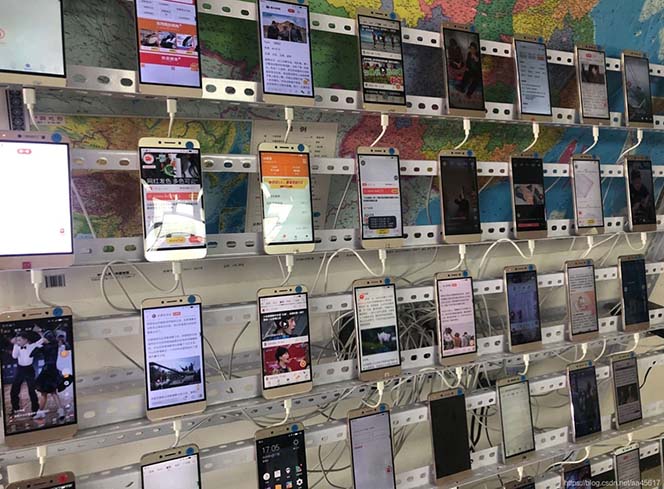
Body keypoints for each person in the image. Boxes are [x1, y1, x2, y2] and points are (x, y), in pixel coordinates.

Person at [10, 331, 45, 419]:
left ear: (25, 340)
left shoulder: (32, 346)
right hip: (20, 369)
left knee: (32, 391)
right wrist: (15, 345)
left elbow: (42, 340)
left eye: (19, 340)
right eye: (17, 340)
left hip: (29, 370)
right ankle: (15, 409)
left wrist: (40, 332)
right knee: (14, 390)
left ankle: (35, 410)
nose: (18, 342)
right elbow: (14, 356)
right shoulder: (17, 346)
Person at [34, 330, 66, 421]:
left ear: (47, 339)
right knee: (53, 392)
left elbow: (32, 354)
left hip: (47, 371)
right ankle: (61, 411)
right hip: (53, 370)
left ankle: (40, 412)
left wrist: (39, 343)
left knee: (44, 394)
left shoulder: (44, 347)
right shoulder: (55, 345)